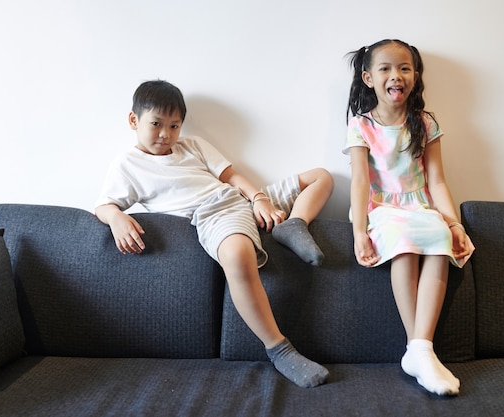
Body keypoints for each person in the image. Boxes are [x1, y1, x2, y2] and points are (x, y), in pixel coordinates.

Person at [95, 80, 333, 387]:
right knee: (237, 255)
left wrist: (259, 199)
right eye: (156, 124)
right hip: (211, 215)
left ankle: (294, 224)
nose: (166, 134)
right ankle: (279, 349)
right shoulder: (127, 166)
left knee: (321, 177)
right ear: (133, 120)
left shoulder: (192, 145)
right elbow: (103, 204)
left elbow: (230, 176)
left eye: (174, 126)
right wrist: (116, 217)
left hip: (242, 198)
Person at [343, 39, 474, 396]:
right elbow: (359, 180)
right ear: (369, 78)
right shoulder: (361, 125)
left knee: (439, 238)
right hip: (381, 207)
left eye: (404, 68)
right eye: (385, 68)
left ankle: (420, 347)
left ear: (415, 76)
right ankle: (419, 349)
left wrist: (453, 222)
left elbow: (437, 180)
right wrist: (359, 231)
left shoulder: (425, 123)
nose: (395, 75)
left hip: (419, 204)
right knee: (403, 242)